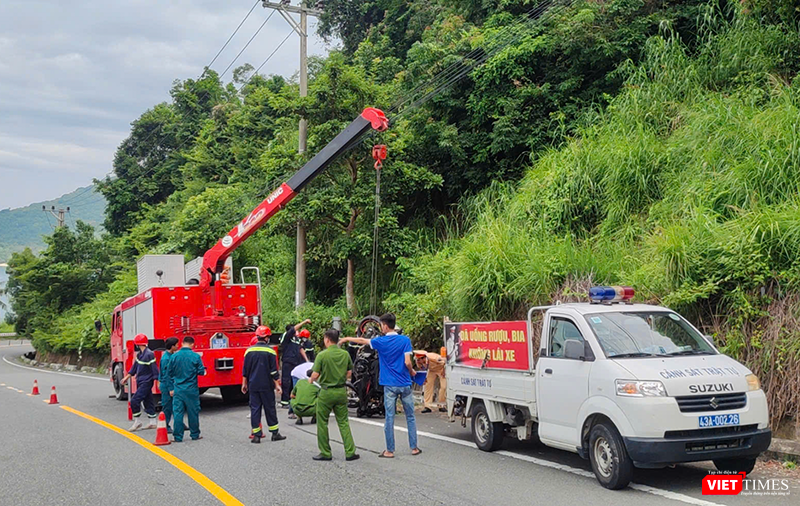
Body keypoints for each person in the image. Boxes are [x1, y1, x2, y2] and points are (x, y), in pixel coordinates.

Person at [340, 313, 420, 458]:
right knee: (410, 416)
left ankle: (389, 450)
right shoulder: (405, 340)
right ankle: (414, 448)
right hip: (405, 383)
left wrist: (345, 339)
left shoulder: (380, 342)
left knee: (389, 417)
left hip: (389, 385)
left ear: (384, 325)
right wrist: (412, 371)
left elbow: (361, 340)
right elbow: (408, 362)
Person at [308, 329, 359, 462]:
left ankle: (325, 452)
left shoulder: (322, 355)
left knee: (322, 422)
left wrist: (311, 380)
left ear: (327, 339)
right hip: (341, 391)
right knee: (343, 422)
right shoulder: (345, 354)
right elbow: (349, 373)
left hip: (326, 392)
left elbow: (315, 374)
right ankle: (350, 452)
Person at [242, 325, 286, 444]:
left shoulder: (249, 351)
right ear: (266, 338)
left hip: (253, 385)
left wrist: (244, 384)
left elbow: (245, 370)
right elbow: (273, 371)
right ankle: (275, 433)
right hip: (266, 385)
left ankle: (256, 435)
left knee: (255, 409)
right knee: (270, 408)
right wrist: (277, 384)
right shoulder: (270, 351)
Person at [167, 336, 206, 442]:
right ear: (192, 344)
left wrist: (171, 388)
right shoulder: (195, 356)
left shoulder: (174, 357)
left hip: (178, 389)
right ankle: (195, 434)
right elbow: (201, 372)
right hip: (191, 389)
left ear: (182, 343)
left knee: (178, 413)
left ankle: (178, 436)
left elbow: (168, 374)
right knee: (193, 412)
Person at [121, 333, 158, 431]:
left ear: (137, 344)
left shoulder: (149, 354)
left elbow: (154, 369)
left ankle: (137, 421)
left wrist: (157, 381)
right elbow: (134, 368)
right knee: (148, 400)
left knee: (135, 400)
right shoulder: (140, 354)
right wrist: (126, 377)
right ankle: (153, 422)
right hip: (140, 380)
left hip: (146, 381)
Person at [280, 319, 310, 412]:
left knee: (295, 381)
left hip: (296, 363)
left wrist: (307, 360)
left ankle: (293, 399)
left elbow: (301, 349)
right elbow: (293, 330)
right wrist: (304, 322)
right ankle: (285, 401)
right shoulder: (286, 337)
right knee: (286, 381)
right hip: (288, 362)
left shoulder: (296, 339)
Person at [159, 337, 180, 433]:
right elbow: (167, 375)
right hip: (167, 385)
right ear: (172, 346)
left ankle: (179, 423)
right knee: (167, 407)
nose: (178, 346)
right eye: (176, 345)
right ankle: (165, 425)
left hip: (171, 384)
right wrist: (171, 388)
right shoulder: (166, 359)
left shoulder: (170, 356)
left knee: (176, 405)